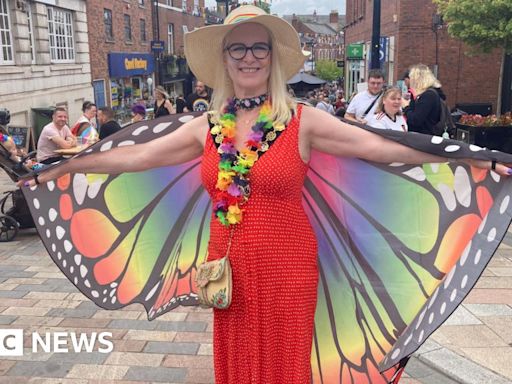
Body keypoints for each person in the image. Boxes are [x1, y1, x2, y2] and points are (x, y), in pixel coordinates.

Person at [20, 5, 512, 384]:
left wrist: (464, 158)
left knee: (284, 366)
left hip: (288, 267)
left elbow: (380, 148)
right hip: (229, 267)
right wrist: (64, 166)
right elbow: (135, 157)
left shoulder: (301, 121)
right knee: (236, 365)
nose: (249, 57)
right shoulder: (207, 127)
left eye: (259, 48)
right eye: (239, 49)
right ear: (225, 60)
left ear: (273, 58)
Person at [402, 64, 444, 135]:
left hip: (425, 138)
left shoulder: (428, 95)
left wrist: (406, 107)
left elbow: (415, 120)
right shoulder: (425, 94)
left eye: (412, 78)